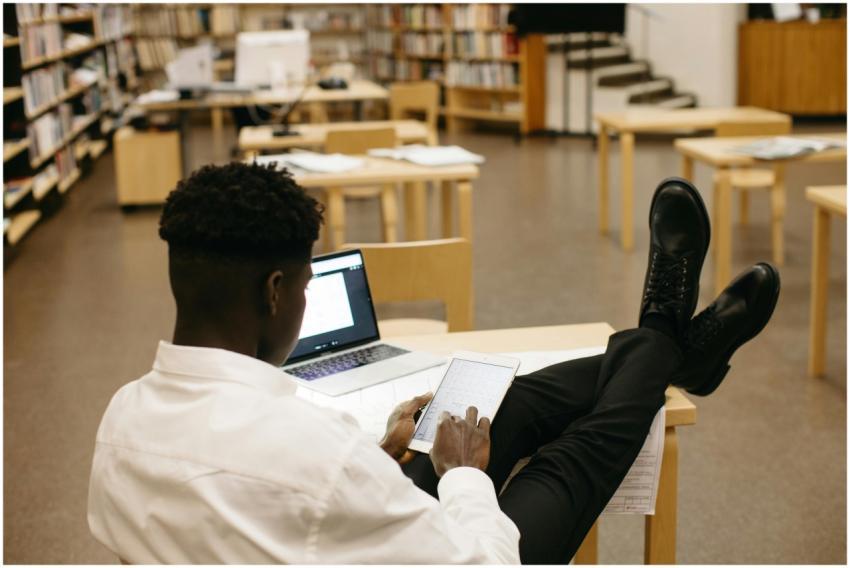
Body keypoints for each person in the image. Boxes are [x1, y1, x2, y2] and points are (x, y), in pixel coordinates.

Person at [88, 163, 780, 564]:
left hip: (332, 539)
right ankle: (665, 339)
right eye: (303, 286)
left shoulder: (120, 421)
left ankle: (670, 352)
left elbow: (273, 501)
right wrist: (464, 479)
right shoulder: (314, 455)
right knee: (576, 460)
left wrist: (382, 455)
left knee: (506, 404)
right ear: (275, 292)